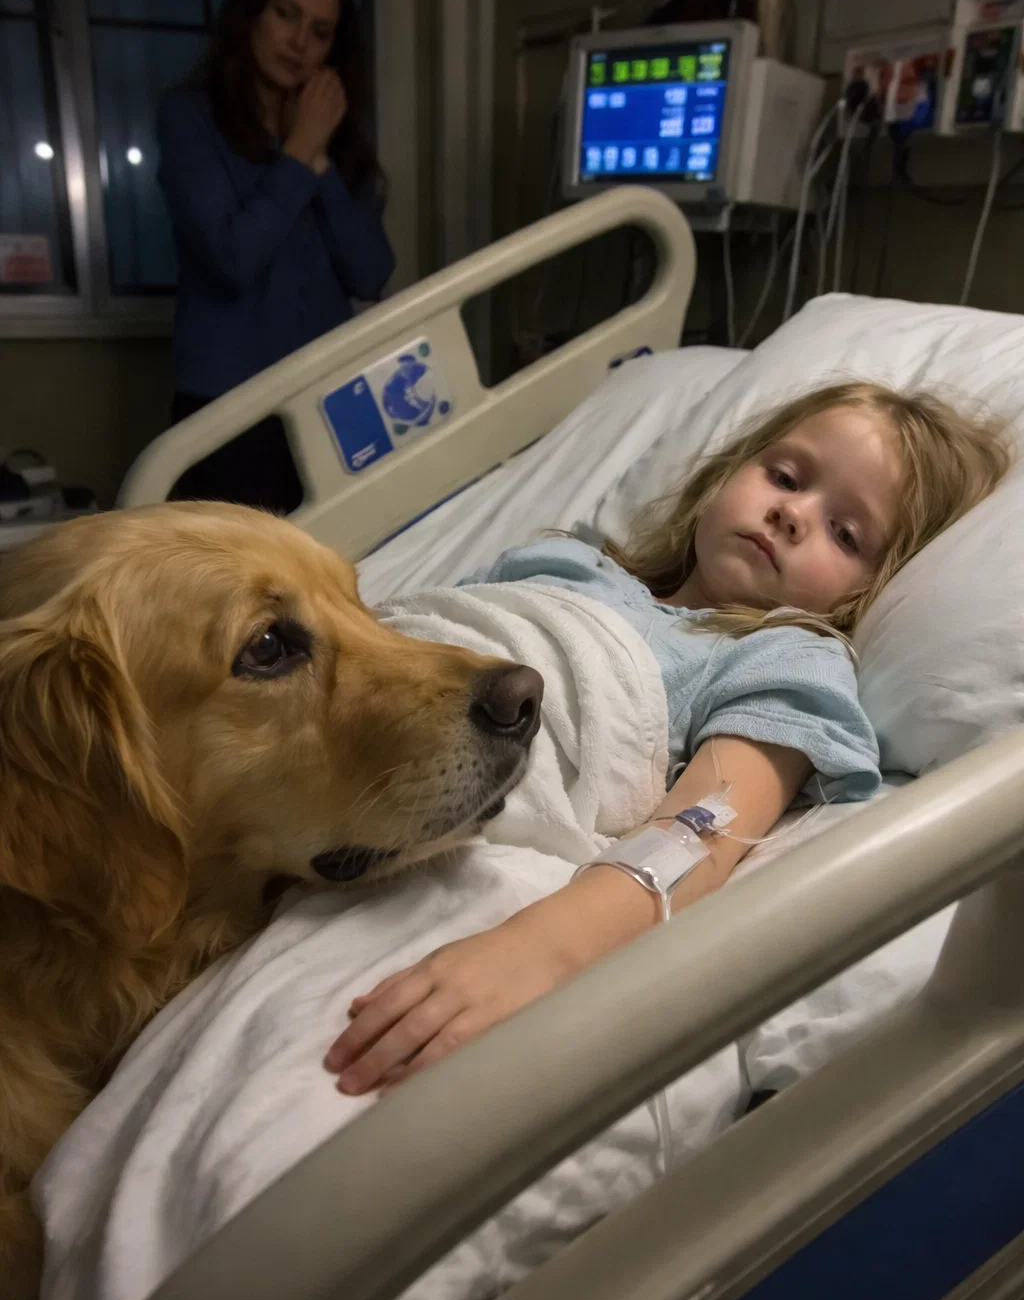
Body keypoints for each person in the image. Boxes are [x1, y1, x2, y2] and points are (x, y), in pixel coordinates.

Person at [323, 381, 1011, 1093]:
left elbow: (699, 832)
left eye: (846, 533)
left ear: (872, 590)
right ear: (725, 475)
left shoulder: (783, 652)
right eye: (784, 477)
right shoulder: (564, 561)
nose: (791, 513)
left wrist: (538, 950)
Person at [157, 0, 395, 512]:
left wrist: (318, 160)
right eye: (286, 14)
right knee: (243, 580)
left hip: (331, 395)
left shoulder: (337, 136)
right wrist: (297, 153)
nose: (299, 42)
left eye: (321, 31)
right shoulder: (191, 117)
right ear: (252, 16)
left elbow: (371, 273)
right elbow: (232, 259)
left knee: (345, 560)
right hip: (230, 404)